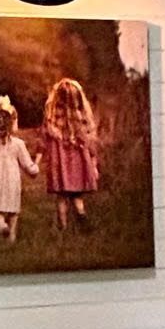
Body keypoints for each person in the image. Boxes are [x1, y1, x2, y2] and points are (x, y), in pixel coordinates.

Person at [0, 95, 38, 243]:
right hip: (11, 179)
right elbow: (27, 165)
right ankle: (12, 236)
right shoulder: (17, 144)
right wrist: (35, 169)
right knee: (13, 208)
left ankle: (2, 224)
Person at [41, 76, 101, 229]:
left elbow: (44, 141)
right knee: (77, 196)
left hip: (61, 168)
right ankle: (81, 215)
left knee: (61, 198)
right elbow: (91, 145)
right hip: (78, 168)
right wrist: (93, 164)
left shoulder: (52, 121)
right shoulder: (82, 120)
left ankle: (63, 227)